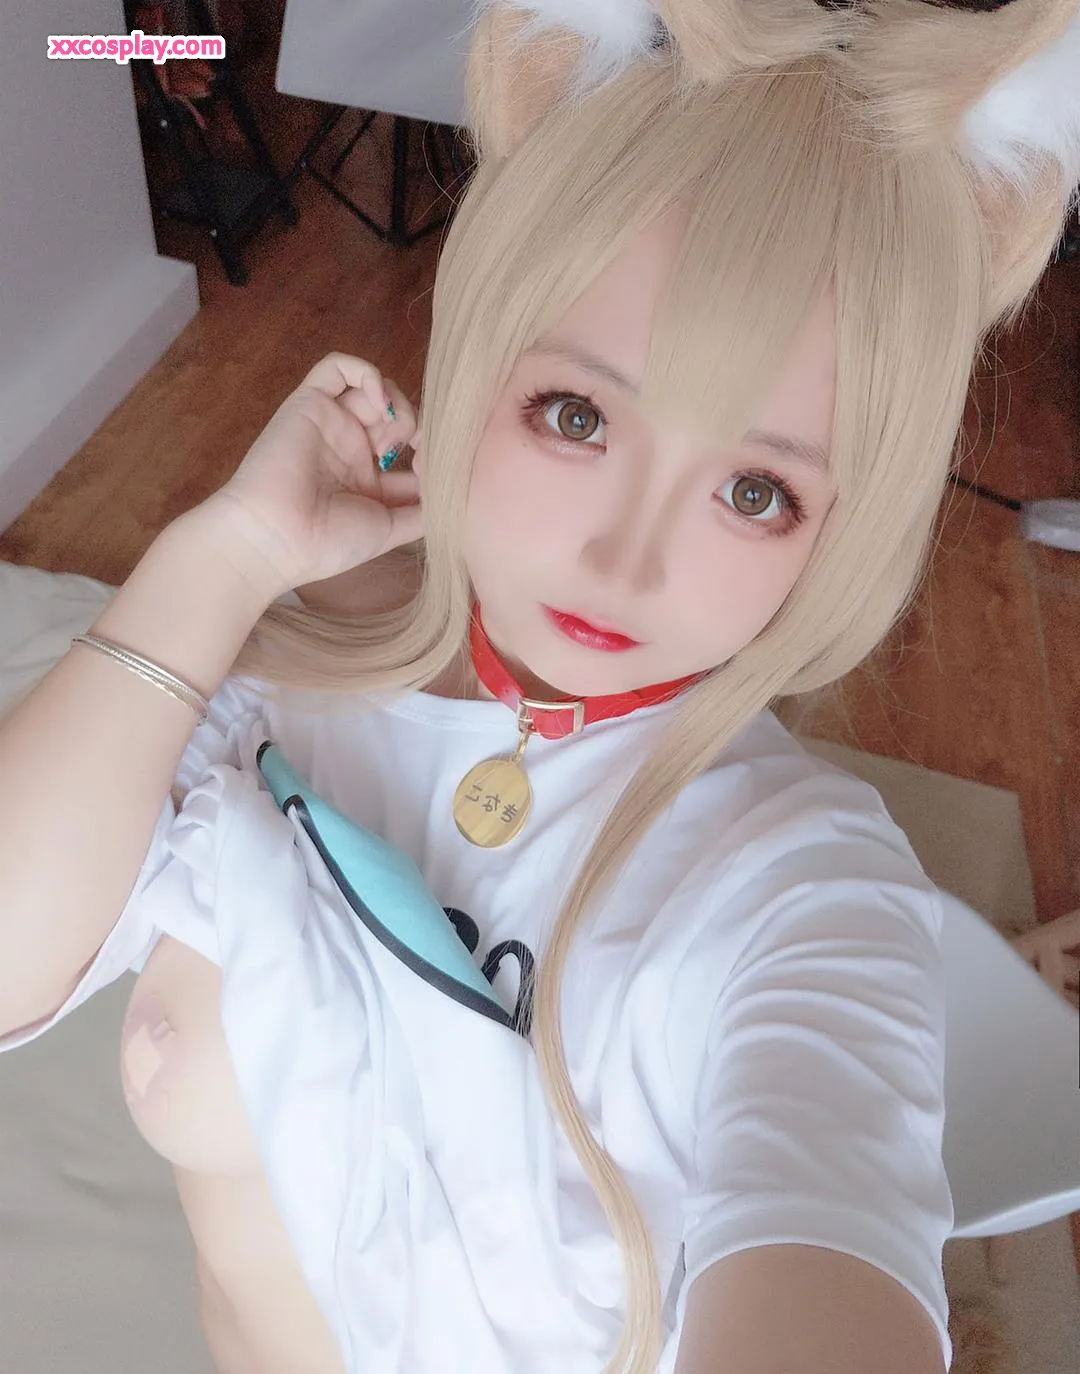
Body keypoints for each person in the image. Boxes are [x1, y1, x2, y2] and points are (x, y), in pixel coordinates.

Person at [1, 2, 1078, 1372]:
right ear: (479, 352)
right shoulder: (286, 671)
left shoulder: (808, 893)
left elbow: (826, 1192)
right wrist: (221, 557)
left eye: (757, 490)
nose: (627, 560)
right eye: (578, 416)